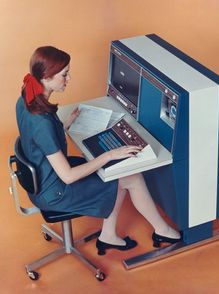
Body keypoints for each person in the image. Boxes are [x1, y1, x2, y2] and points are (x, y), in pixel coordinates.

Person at [16, 46, 181, 255]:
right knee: (132, 177)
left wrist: (65, 125)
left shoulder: (25, 100)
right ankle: (163, 230)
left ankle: (109, 235)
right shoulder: (42, 123)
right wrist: (110, 155)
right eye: (64, 74)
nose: (69, 78)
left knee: (118, 175)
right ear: (47, 78)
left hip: (42, 178)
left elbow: (35, 138)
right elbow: (67, 176)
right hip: (55, 191)